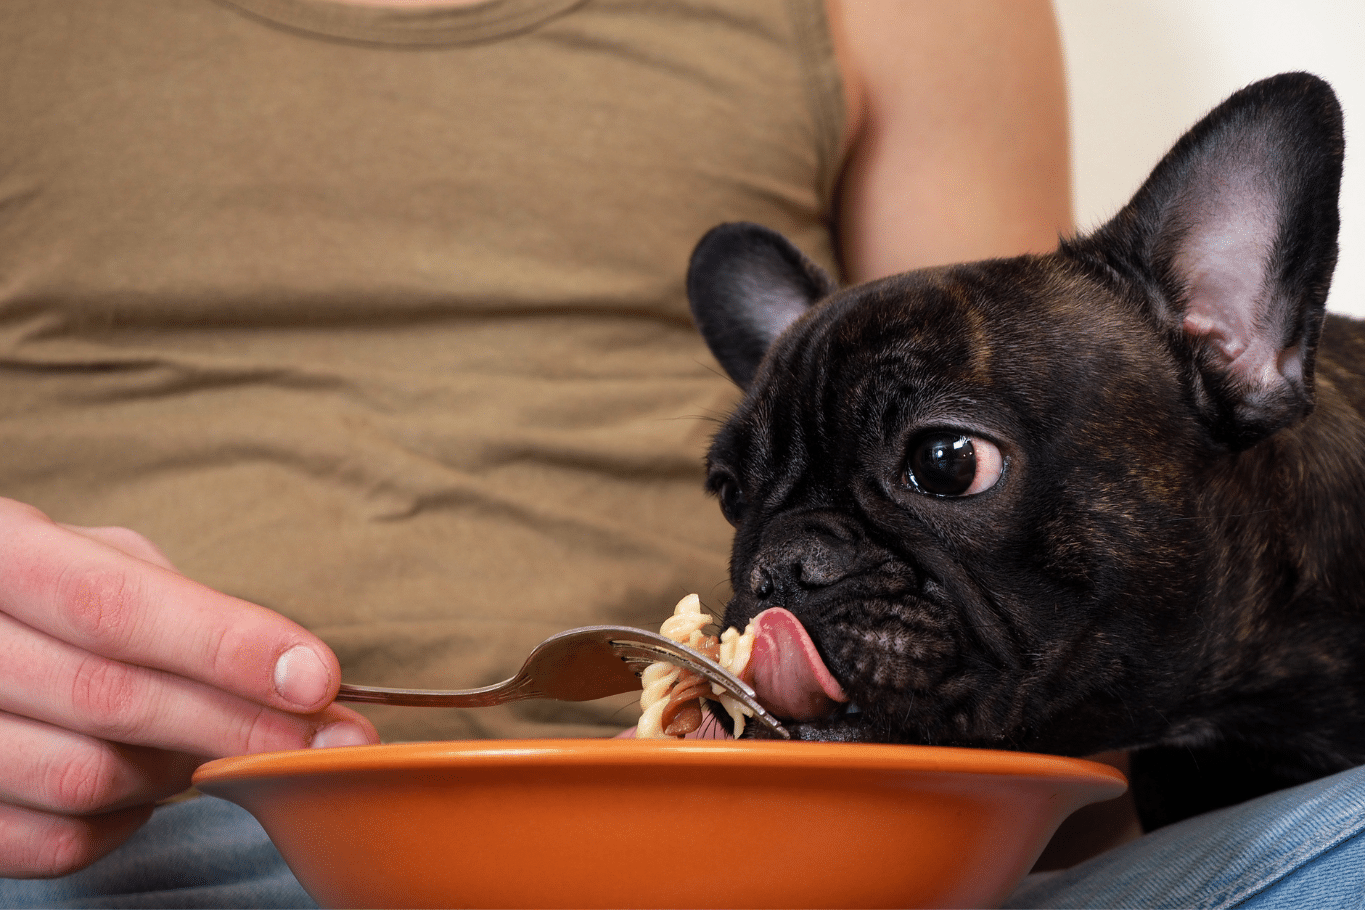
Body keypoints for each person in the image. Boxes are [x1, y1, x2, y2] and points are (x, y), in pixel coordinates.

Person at [12, 2, 1362, 909]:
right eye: (749, 498)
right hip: (138, 841)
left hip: (804, 860)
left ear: (1230, 328)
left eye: (940, 466)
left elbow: (1090, 533)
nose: (780, 573)